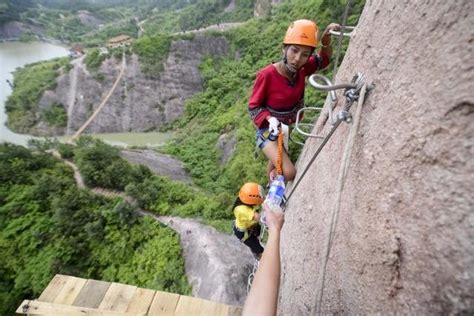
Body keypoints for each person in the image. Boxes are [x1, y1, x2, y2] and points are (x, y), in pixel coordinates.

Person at [248, 19, 341, 182]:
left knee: (276, 161)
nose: (297, 59)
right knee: (289, 172)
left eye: (305, 54)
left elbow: (323, 60)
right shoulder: (267, 75)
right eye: (294, 50)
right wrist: (270, 120)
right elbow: (254, 107)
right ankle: (274, 189)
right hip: (267, 131)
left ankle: (271, 189)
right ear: (284, 48)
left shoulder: (302, 69)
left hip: (285, 128)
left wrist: (326, 41)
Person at [242, 202, 285, 315]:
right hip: (246, 234)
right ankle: (260, 255)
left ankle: (260, 254)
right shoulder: (242, 210)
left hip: (247, 231)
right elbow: (257, 309)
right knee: (257, 247)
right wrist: (274, 228)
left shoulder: (242, 209)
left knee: (256, 245)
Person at [233, 182, 265, 260]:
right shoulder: (242, 210)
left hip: (250, 225)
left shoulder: (244, 199)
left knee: (259, 231)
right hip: (244, 233)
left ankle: (259, 241)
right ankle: (260, 257)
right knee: (258, 248)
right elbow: (258, 217)